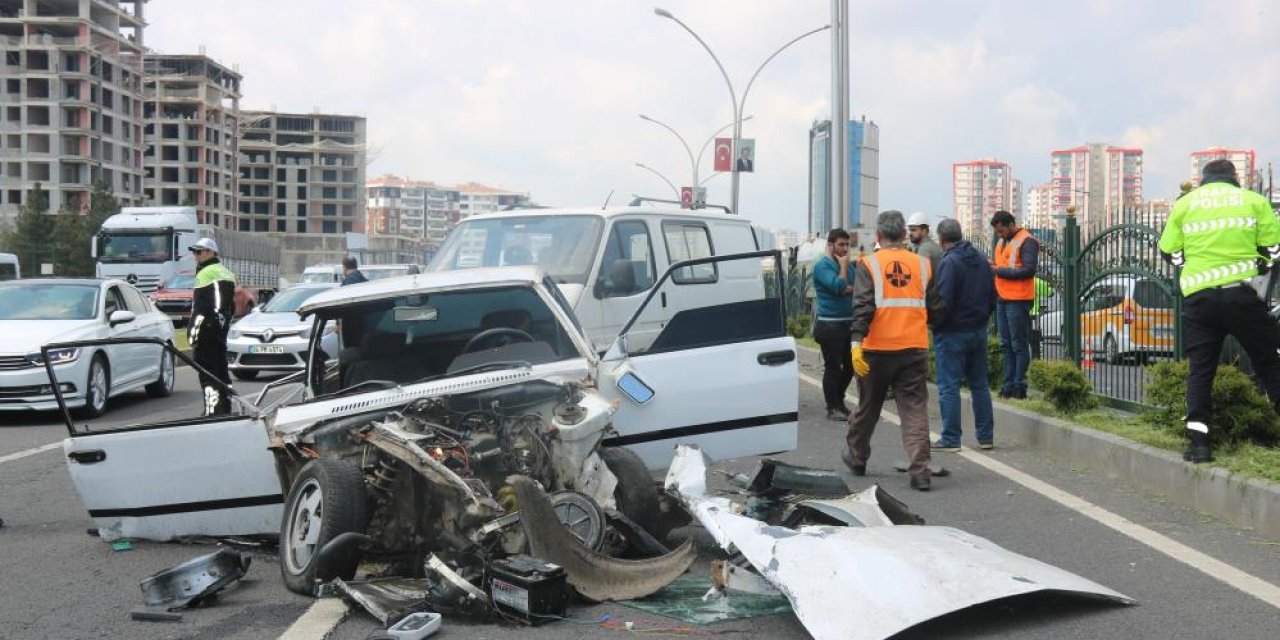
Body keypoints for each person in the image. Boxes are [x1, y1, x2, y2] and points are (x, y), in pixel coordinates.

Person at [1158, 159, 1280, 463]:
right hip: (1241, 295)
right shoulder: (1254, 201)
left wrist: (1189, 265)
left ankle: (1199, 444)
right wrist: (1261, 262)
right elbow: (1275, 248)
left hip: (1200, 299)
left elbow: (1169, 251)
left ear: (1204, 179)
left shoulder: (1186, 204)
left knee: (1201, 371)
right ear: (1234, 178)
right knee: (1268, 361)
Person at [842, 210, 938, 491]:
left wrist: (855, 343)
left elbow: (862, 307)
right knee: (914, 410)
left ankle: (857, 458)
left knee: (867, 407)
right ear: (905, 234)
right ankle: (921, 470)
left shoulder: (868, 264)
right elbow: (935, 307)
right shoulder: (923, 264)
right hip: (913, 348)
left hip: (876, 350)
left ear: (880, 236)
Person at [929, 219, 997, 452]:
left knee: (949, 385)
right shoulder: (980, 258)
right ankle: (986, 437)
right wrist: (981, 319)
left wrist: (935, 324)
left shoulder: (950, 262)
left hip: (952, 332)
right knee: (980, 385)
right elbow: (992, 296)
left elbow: (943, 301)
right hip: (978, 330)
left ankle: (950, 438)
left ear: (941, 239)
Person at [990, 210, 1039, 399]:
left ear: (1011, 225)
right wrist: (994, 267)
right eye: (997, 232)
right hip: (1003, 298)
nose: (1000, 235)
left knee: (1018, 344)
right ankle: (1008, 385)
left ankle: (1019, 386)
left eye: (1001, 231)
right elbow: (1002, 266)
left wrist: (998, 271)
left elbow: (1028, 270)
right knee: (1006, 345)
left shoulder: (1028, 241)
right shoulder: (1002, 242)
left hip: (1018, 300)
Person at [188, 238, 237, 416]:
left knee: (206, 372)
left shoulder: (205, 274)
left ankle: (211, 411)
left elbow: (200, 309)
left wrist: (192, 336)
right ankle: (226, 408)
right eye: (195, 252)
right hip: (220, 330)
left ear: (210, 253)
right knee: (221, 369)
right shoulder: (227, 273)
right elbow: (231, 307)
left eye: (199, 252)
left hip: (206, 331)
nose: (195, 256)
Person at [811, 229, 855, 421]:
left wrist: (846, 286)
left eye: (847, 245)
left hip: (848, 323)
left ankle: (839, 401)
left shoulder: (847, 265)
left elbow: (856, 286)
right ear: (830, 245)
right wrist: (844, 269)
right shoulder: (823, 266)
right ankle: (832, 407)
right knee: (833, 367)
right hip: (830, 326)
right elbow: (838, 287)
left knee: (851, 366)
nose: (845, 249)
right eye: (841, 245)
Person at [1030, 276, 1054, 360]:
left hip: (1018, 313)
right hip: (1033, 315)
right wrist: (1048, 286)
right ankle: (1036, 361)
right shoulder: (1036, 281)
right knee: (1035, 340)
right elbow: (1050, 293)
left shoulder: (1017, 279)